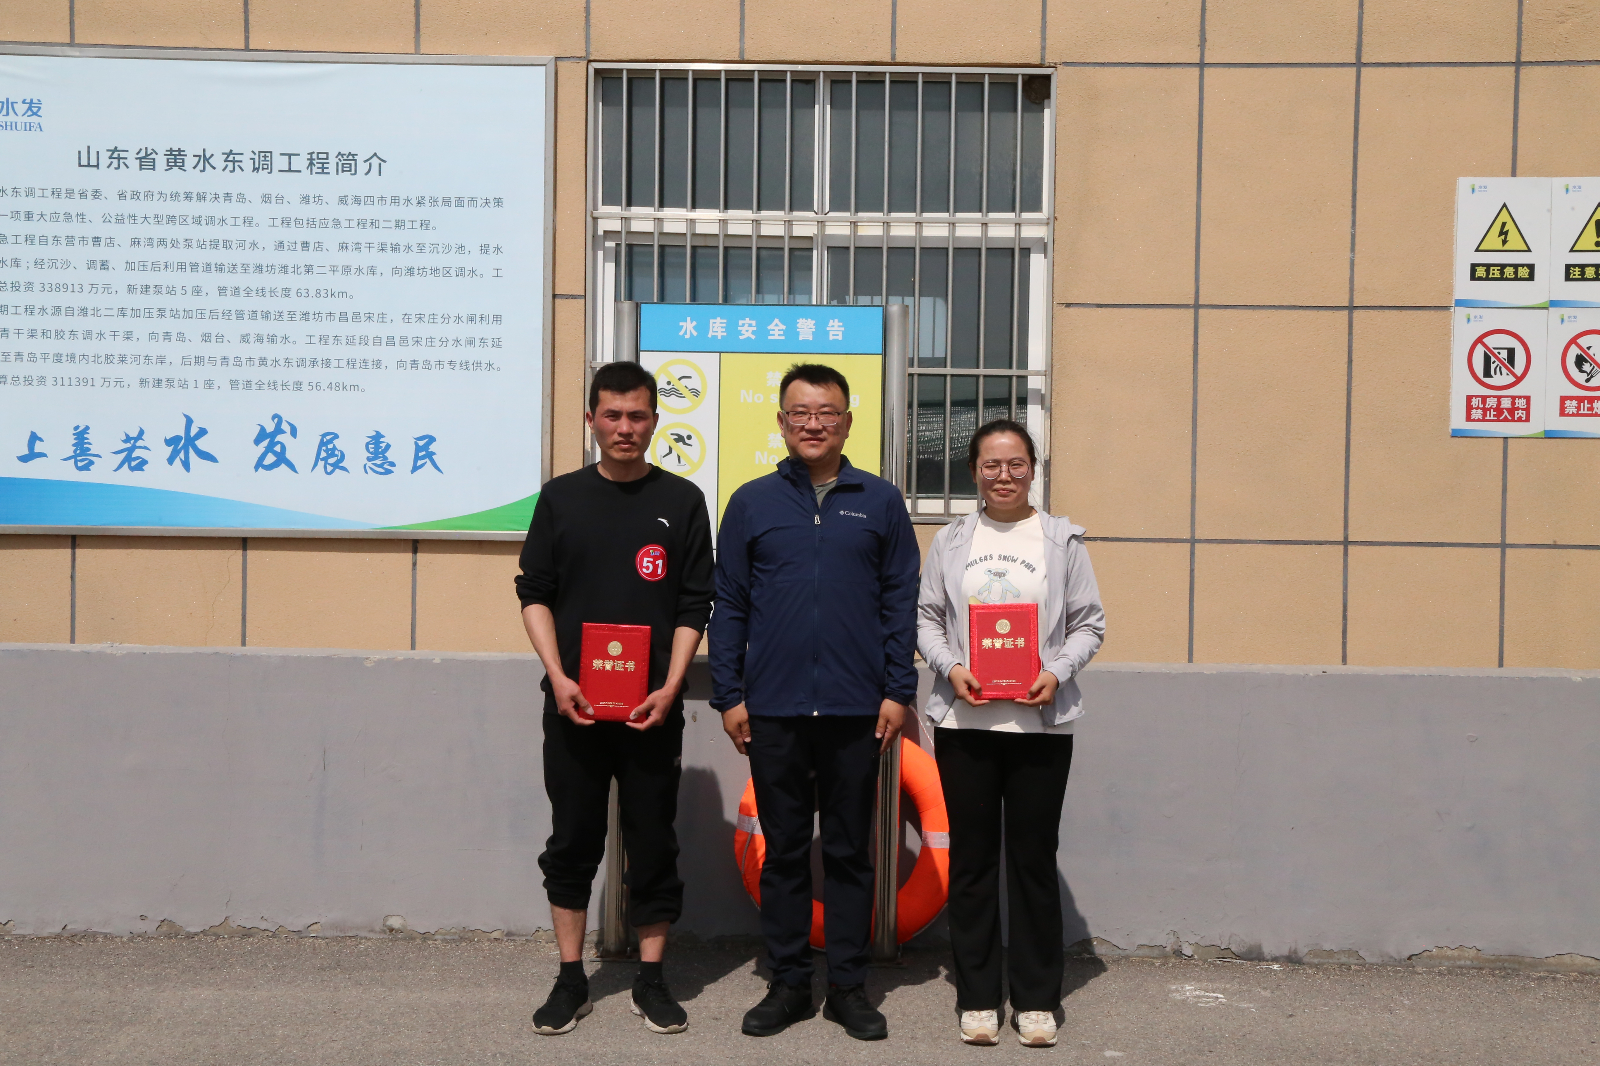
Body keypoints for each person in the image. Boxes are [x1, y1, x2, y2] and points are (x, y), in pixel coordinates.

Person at [710, 363, 920, 1042]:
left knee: (852, 853)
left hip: (858, 711)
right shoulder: (751, 503)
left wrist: (897, 691)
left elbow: (900, 601)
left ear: (847, 423)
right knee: (786, 852)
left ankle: (849, 988)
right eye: (799, 412)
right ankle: (790, 983)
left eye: (826, 412)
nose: (813, 424)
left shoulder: (880, 501)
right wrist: (728, 694)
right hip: (773, 709)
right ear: (781, 422)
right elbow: (729, 602)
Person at [515, 360, 715, 1037]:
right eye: (612, 415)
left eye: (637, 415)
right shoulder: (561, 498)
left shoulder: (682, 501)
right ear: (591, 420)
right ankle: (571, 977)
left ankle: (651, 980)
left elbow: (694, 603)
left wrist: (671, 684)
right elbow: (534, 593)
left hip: (650, 711)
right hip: (573, 706)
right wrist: (559, 675)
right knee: (572, 840)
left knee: (653, 842)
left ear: (654, 421)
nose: (625, 427)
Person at [915, 419, 1105, 1049]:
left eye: (1016, 463)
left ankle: (1035, 999)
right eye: (991, 465)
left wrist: (1057, 671)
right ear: (974, 470)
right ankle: (976, 997)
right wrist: (952, 667)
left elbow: (1089, 623)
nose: (1004, 475)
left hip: (1040, 726)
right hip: (965, 724)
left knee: (1032, 860)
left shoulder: (1061, 540)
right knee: (972, 861)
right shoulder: (951, 541)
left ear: (1033, 469)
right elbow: (926, 618)